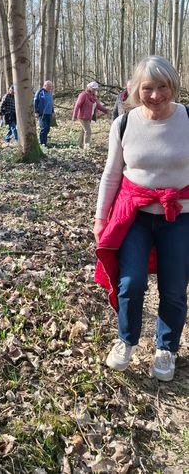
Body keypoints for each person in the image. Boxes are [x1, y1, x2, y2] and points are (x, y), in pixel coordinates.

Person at [94, 56, 189, 382]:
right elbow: (111, 174)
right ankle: (126, 339)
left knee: (173, 288)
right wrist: (100, 218)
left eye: (163, 86)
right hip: (134, 217)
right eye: (148, 88)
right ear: (136, 89)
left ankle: (166, 348)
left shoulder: (187, 119)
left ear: (172, 86)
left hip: (180, 217)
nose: (156, 95)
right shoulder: (123, 124)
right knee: (131, 282)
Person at [72, 81, 108, 148]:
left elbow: (98, 105)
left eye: (95, 89)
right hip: (82, 116)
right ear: (89, 87)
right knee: (88, 131)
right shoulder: (83, 95)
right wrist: (74, 116)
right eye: (93, 89)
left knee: (84, 131)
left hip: (89, 116)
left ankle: (80, 144)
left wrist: (106, 110)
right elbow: (77, 105)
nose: (94, 90)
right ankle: (86, 146)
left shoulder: (93, 96)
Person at [34, 80, 54, 147]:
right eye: (49, 86)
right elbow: (35, 102)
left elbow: (51, 103)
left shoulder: (50, 93)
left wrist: (52, 112)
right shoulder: (40, 92)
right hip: (42, 113)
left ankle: (44, 142)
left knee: (47, 128)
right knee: (44, 128)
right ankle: (42, 143)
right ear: (45, 86)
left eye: (51, 86)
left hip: (49, 113)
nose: (50, 87)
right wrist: (36, 112)